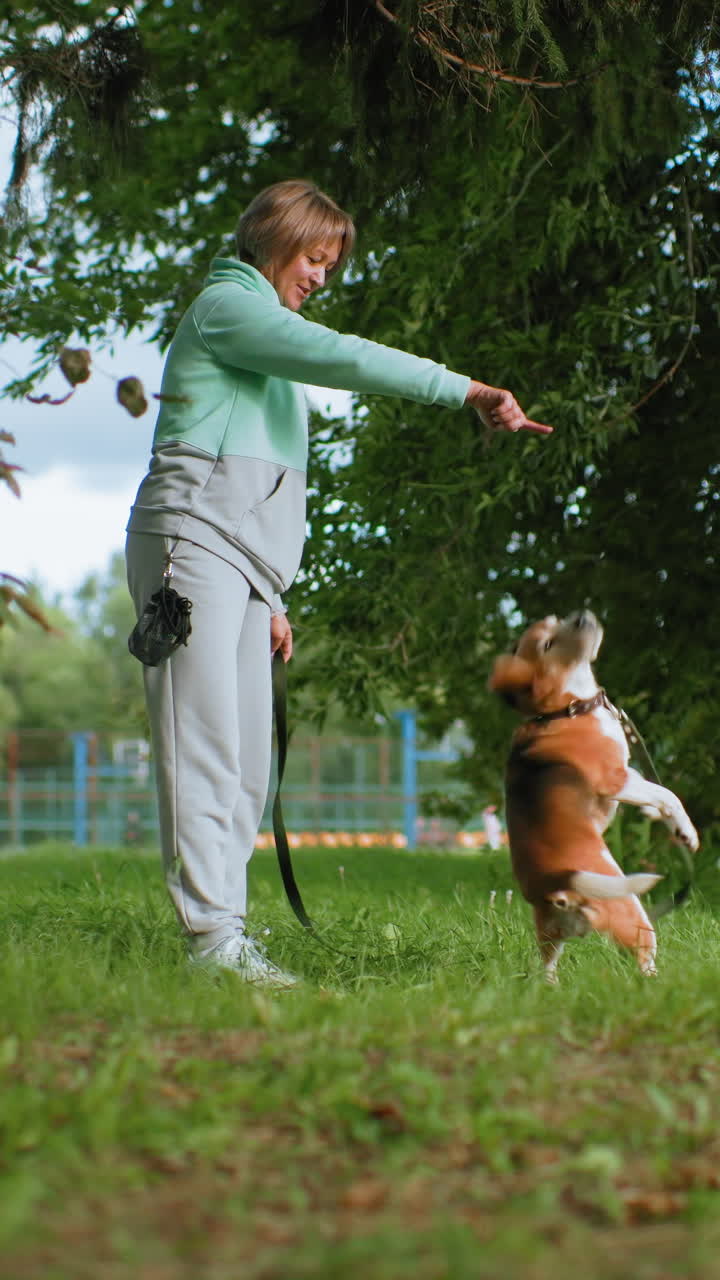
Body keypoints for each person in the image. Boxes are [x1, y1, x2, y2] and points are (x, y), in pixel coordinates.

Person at [125, 179, 552, 988]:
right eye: (314, 257)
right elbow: (344, 356)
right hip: (190, 550)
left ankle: (226, 939)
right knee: (205, 749)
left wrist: (269, 595)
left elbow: (256, 474)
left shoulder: (258, 337)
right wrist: (464, 388)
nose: (322, 275)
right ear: (273, 239)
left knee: (249, 764)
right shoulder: (228, 308)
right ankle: (212, 946)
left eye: (330, 263)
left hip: (236, 567)